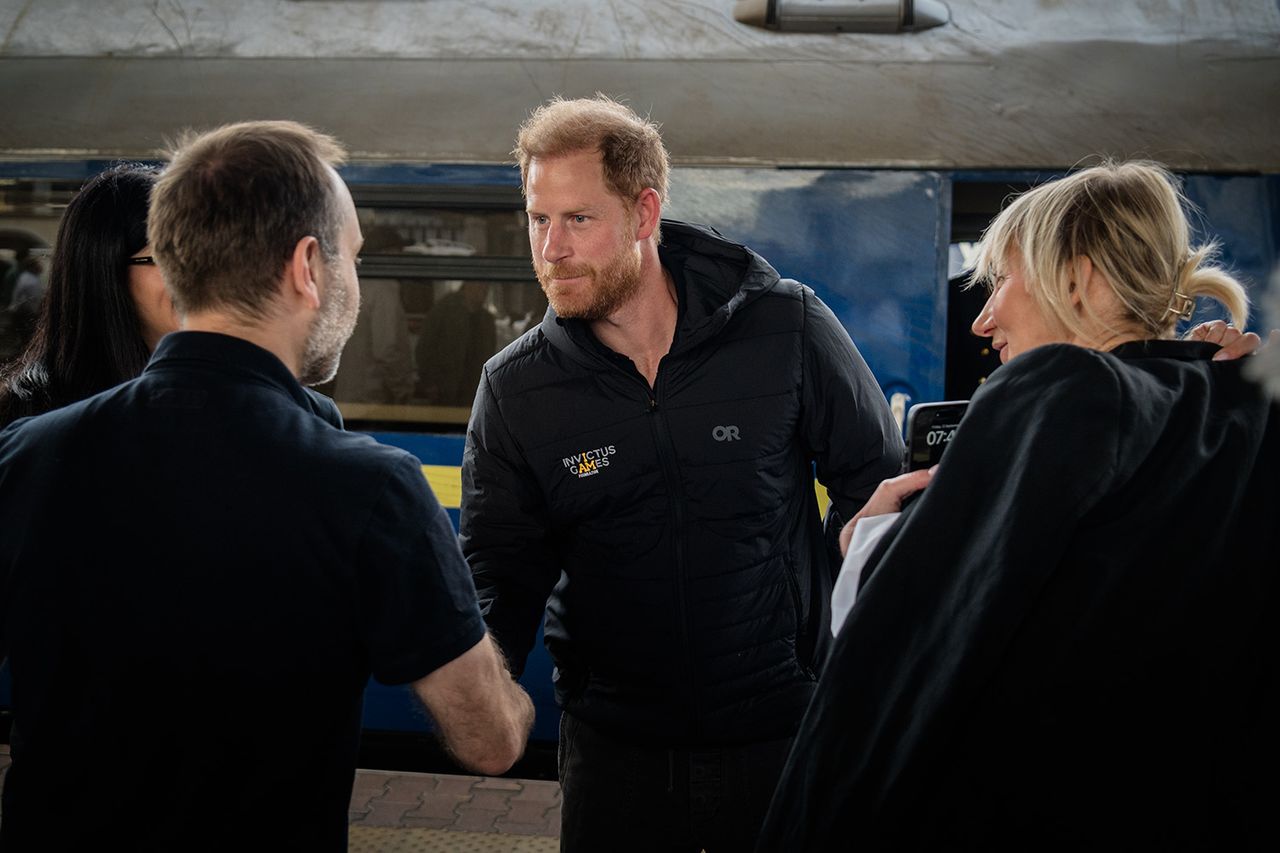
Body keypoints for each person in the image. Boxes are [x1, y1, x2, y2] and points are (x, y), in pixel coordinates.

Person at [0, 120, 533, 851]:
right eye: (353, 255)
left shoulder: (27, 453)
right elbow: (490, 740)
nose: (355, 279)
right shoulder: (371, 487)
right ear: (309, 265)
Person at [756, 161, 1279, 851]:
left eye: (1001, 279)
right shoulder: (1242, 414)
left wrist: (873, 538)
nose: (982, 318)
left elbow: (916, 644)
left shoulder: (1060, 389)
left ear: (1079, 279)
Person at [460, 96, 903, 851]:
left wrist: (834, 632)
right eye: (538, 219)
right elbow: (500, 574)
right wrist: (477, 698)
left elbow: (877, 482)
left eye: (577, 219)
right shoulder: (515, 390)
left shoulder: (785, 325)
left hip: (780, 732)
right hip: (615, 757)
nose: (551, 249)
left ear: (643, 213)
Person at [416, 280, 496, 406]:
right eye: (481, 285)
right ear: (468, 284)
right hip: (445, 390)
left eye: (487, 286)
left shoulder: (487, 320)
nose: (484, 290)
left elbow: (490, 356)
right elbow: (425, 349)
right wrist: (430, 384)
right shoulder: (444, 310)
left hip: (474, 392)